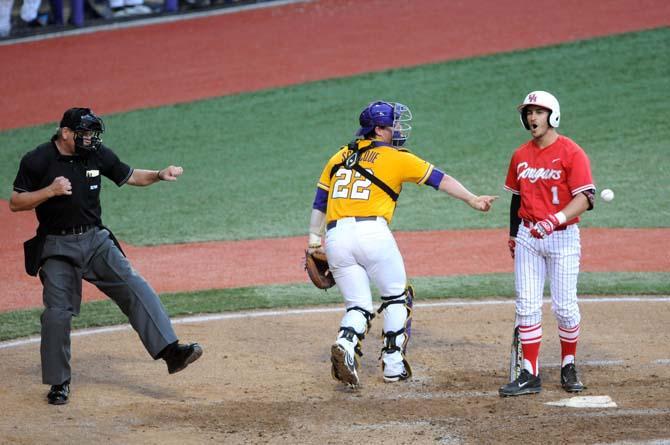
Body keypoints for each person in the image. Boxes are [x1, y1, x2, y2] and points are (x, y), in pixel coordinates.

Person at [9, 107, 203, 405]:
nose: (89, 138)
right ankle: (59, 382)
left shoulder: (96, 154)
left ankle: (171, 352)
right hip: (57, 246)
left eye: (91, 133)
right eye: (83, 133)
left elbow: (130, 176)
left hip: (95, 240)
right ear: (65, 133)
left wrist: (158, 175)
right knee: (57, 315)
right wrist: (49, 190)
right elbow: (16, 202)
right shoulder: (38, 159)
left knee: (134, 286)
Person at [307, 100, 498, 387]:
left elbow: (321, 200)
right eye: (392, 124)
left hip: (335, 237)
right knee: (396, 296)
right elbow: (439, 179)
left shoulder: (338, 156)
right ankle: (393, 365)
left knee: (357, 305)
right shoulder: (396, 157)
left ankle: (345, 345)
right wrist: (472, 198)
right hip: (372, 232)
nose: (397, 129)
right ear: (379, 129)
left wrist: (312, 240)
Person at [498, 91, 595, 397]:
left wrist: (555, 219)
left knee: (565, 307)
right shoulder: (520, 155)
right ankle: (530, 373)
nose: (532, 118)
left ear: (552, 116)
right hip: (528, 237)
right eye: (528, 112)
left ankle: (569, 364)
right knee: (526, 306)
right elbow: (517, 198)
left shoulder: (572, 152)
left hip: (563, 237)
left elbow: (585, 198)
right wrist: (515, 233)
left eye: (538, 112)